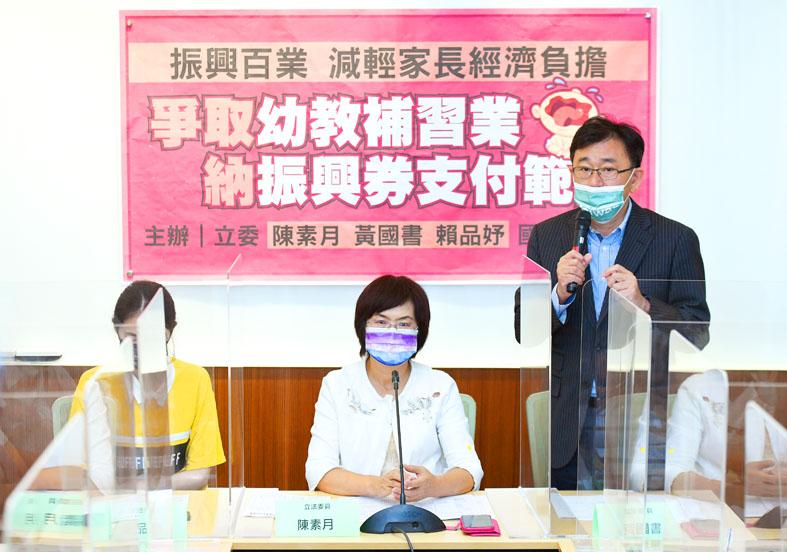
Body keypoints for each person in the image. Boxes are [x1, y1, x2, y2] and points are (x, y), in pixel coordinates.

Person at [525, 116, 710, 490]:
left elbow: (697, 332)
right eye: (585, 169)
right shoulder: (547, 236)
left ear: (634, 178)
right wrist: (558, 295)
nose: (594, 182)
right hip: (568, 419)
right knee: (567, 522)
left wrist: (644, 304)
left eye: (608, 170)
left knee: (634, 524)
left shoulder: (675, 239)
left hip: (640, 414)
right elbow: (524, 329)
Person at [305, 275, 483, 500]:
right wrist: (374, 485)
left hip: (425, 511)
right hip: (358, 510)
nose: (392, 332)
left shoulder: (440, 385)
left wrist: (434, 486)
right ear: (363, 326)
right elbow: (319, 470)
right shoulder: (337, 384)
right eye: (381, 322)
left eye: (404, 324)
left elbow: (469, 470)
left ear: (419, 330)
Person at [70, 280, 225, 490]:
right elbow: (82, 471)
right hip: (113, 504)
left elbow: (198, 475)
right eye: (132, 337)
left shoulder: (195, 379)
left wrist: (138, 487)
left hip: (179, 503)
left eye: (151, 336)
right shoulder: (96, 383)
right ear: (118, 331)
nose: (142, 346)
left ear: (169, 332)